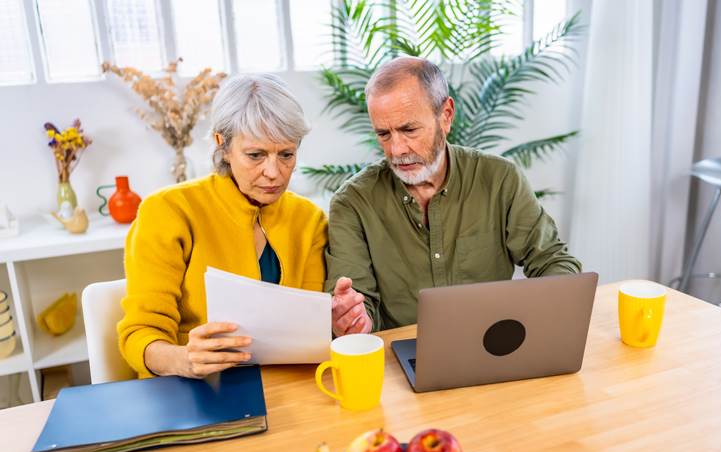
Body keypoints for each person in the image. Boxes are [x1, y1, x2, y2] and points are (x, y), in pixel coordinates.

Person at [327, 57, 581, 334]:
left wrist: (547, 307)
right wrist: (353, 320)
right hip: (401, 358)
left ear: (446, 115)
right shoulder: (352, 203)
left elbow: (553, 261)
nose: (396, 149)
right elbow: (359, 306)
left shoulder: (499, 179)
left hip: (493, 345)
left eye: (409, 129)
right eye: (383, 134)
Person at [118, 73, 327, 379]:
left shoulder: (309, 219)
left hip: (284, 387)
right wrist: (184, 359)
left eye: (286, 154)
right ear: (222, 144)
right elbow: (140, 335)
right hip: (192, 388)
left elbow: (308, 335)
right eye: (255, 155)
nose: (274, 172)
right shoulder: (167, 211)